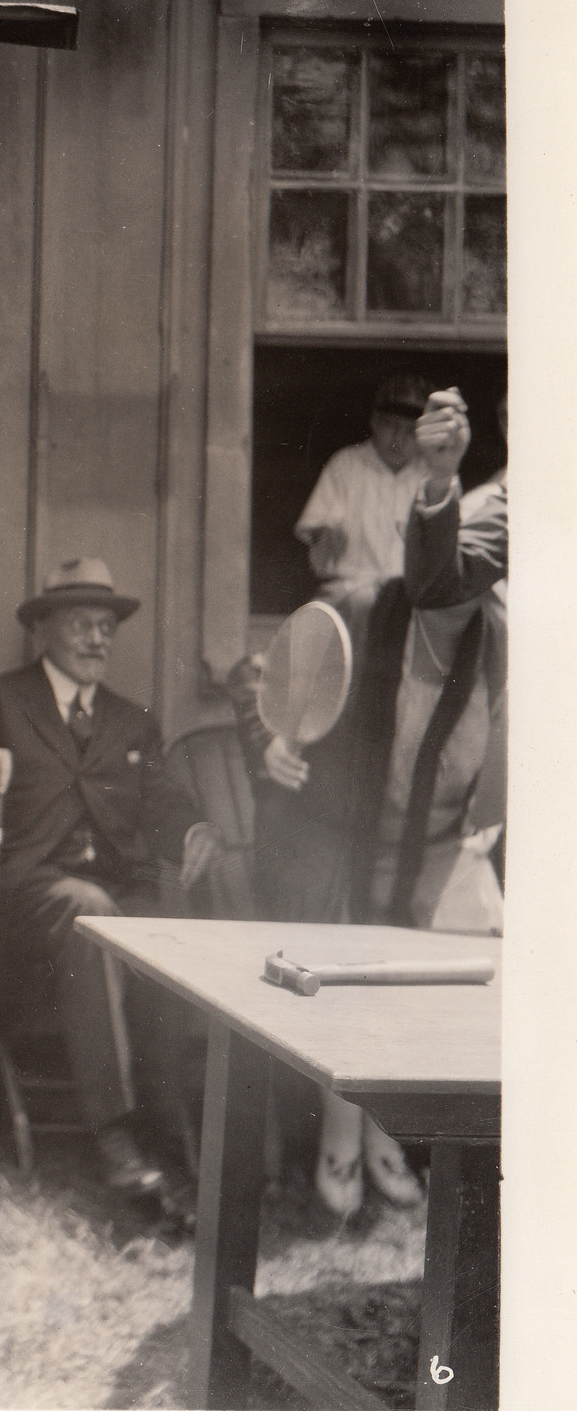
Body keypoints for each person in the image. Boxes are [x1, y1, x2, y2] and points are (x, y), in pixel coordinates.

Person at [250, 388, 505, 1215]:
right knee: (343, 980)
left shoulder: (502, 641)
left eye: (474, 576)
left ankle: (390, 1135)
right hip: (344, 836)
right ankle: (338, 1136)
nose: (458, 591)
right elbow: (277, 691)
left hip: (436, 844)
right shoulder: (358, 608)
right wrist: (277, 745)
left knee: (438, 985)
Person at [0, 560, 217, 1213]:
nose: (97, 638)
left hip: (112, 895)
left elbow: (160, 802)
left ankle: (172, 1137)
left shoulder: (130, 721)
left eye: (106, 627)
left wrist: (189, 831)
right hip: (27, 898)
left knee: (165, 936)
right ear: (43, 628)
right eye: (81, 624)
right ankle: (115, 1135)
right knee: (92, 913)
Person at [293, 372, 429, 635]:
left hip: (409, 598)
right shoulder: (346, 465)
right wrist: (325, 537)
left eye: (410, 431)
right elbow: (316, 536)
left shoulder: (430, 477)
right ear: (375, 422)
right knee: (362, 602)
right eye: (391, 425)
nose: (398, 439)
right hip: (350, 591)